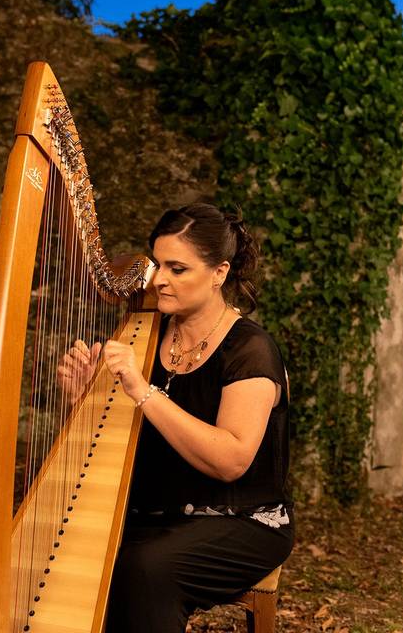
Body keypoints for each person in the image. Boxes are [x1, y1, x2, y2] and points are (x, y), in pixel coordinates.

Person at [59, 203, 293, 633]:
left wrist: (142, 390)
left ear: (219, 272)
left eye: (178, 268)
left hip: (239, 520)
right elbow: (124, 442)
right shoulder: (147, 338)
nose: (159, 279)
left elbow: (231, 460)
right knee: (76, 553)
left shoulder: (250, 351)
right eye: (158, 264)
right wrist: (80, 401)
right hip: (156, 513)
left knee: (143, 567)